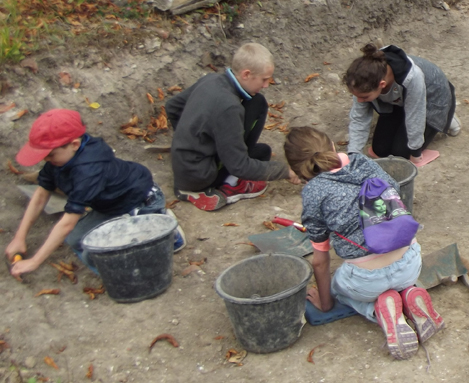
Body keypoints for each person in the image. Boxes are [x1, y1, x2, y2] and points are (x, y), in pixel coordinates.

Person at [285, 126, 443, 360]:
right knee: (395, 269)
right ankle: (408, 295)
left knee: (339, 285)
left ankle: (379, 311)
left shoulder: (313, 193)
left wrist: (326, 303)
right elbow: (394, 188)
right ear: (331, 146)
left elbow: (320, 262)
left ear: (297, 171)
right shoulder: (361, 161)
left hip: (366, 280)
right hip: (409, 262)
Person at [6, 109, 184, 279]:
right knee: (76, 240)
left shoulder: (88, 171)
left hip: (140, 198)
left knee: (99, 257)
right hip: (110, 203)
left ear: (74, 144)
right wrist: (19, 238)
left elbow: (67, 223)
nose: (47, 160)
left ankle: (164, 228)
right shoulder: (60, 160)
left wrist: (34, 262)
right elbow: (41, 195)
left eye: (50, 155)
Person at [167, 42, 300, 211]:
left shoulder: (212, 79)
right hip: (200, 175)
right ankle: (227, 184)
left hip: (186, 163)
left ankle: (232, 159)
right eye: (264, 79)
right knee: (252, 161)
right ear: (246, 74)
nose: (266, 85)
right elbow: (239, 166)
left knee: (258, 112)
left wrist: (186, 138)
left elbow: (172, 106)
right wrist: (285, 171)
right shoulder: (229, 107)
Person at [344, 44, 458, 166]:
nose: (359, 101)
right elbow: (359, 118)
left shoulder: (413, 77)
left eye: (364, 97)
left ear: (381, 85)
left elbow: (416, 115)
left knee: (401, 154)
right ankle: (403, 118)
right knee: (380, 150)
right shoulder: (363, 80)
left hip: (431, 100)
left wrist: (416, 154)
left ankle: (447, 116)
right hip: (399, 100)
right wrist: (353, 155)